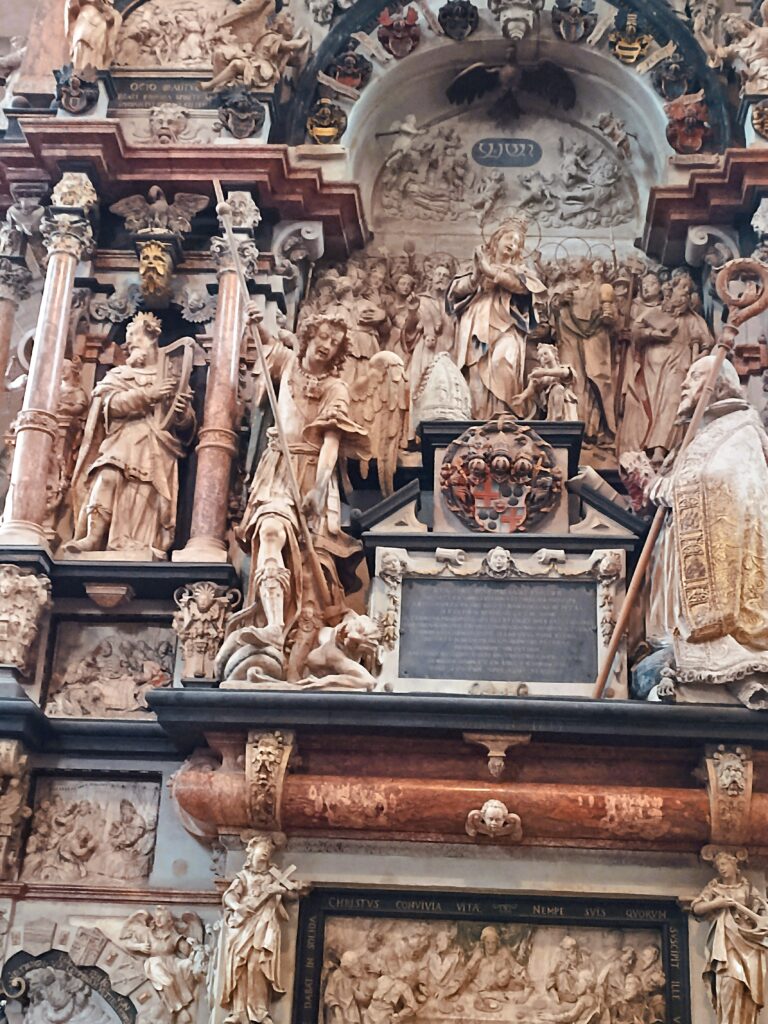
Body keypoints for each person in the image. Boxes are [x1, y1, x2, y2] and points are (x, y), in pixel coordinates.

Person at [642, 356, 768, 707]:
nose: (683, 384)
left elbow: (717, 482)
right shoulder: (706, 433)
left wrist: (654, 486)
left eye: (694, 376)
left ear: (719, 384)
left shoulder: (739, 429)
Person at [65, 312, 195, 557]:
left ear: (153, 336)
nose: (128, 343)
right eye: (126, 339)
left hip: (157, 445)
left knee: (144, 491)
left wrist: (181, 413)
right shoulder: (118, 375)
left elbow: (186, 427)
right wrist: (148, 396)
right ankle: (94, 537)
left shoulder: (172, 377)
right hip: (122, 438)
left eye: (134, 336)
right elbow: (109, 406)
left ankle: (136, 543)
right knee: (107, 476)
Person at [448, 217, 548, 418]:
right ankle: (476, 420)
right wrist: (476, 276)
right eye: (509, 238)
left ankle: (506, 415)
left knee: (503, 362)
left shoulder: (521, 271)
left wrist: (491, 272)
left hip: (507, 325)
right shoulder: (475, 265)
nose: (512, 244)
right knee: (475, 372)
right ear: (497, 240)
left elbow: (524, 288)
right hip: (477, 322)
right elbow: (456, 291)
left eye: (517, 242)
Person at [220, 834, 294, 1024]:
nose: (266, 853)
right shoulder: (243, 876)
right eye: (263, 849)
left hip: (264, 924)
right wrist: (239, 907)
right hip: (243, 925)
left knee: (257, 965)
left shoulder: (274, 876)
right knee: (240, 966)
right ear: (251, 851)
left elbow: (289, 892)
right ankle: (238, 1011)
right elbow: (229, 896)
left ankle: (259, 1011)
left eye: (269, 851)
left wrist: (281, 891)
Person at [691, 849, 768, 1024]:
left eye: (724, 864)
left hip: (749, 944)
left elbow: (763, 912)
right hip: (726, 943)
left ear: (735, 864)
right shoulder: (714, 888)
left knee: (747, 990)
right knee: (729, 982)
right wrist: (715, 903)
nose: (721, 869)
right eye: (718, 866)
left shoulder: (748, 888)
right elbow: (696, 908)